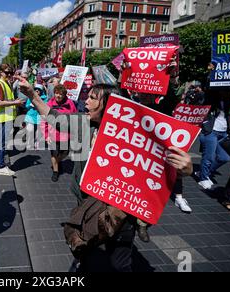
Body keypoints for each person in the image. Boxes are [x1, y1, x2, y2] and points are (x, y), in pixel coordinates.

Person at [18, 78, 193, 272]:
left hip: (121, 213)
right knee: (85, 253)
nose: (86, 101)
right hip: (87, 205)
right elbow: (54, 117)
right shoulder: (85, 124)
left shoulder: (135, 136)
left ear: (109, 105)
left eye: (93, 98)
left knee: (119, 264)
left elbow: (159, 166)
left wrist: (184, 170)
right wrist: (32, 95)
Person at [0, 64, 25, 176]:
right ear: (1, 72)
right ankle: (1, 166)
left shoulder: (5, 83)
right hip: (2, 118)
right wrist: (15, 102)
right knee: (1, 143)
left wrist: (14, 100)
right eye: (7, 72)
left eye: (11, 72)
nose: (9, 74)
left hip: (6, 117)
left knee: (2, 142)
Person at [41, 84, 77, 182]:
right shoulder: (49, 104)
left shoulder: (70, 104)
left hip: (66, 135)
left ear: (64, 95)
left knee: (65, 153)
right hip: (53, 135)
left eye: (61, 94)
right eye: (56, 93)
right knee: (54, 154)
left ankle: (57, 161)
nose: (58, 96)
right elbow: (44, 121)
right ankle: (55, 171)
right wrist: (46, 135)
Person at [25, 84, 49, 150]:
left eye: (38, 89)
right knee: (30, 130)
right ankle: (29, 144)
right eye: (36, 89)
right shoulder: (31, 96)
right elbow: (26, 106)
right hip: (31, 115)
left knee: (39, 132)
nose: (37, 90)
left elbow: (46, 107)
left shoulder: (44, 98)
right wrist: (30, 105)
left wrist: (39, 106)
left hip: (40, 116)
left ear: (41, 91)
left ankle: (37, 144)